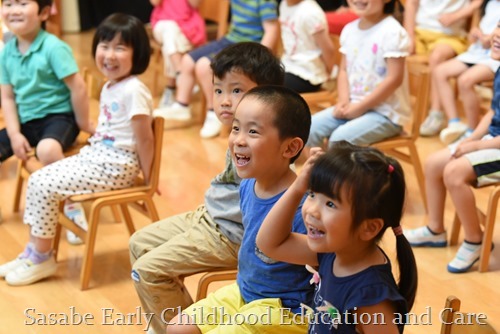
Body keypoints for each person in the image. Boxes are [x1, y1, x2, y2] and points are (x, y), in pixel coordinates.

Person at [129, 42, 285, 334]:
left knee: (149, 270)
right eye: (218, 90)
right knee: (139, 243)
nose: (224, 100)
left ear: (267, 94)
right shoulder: (239, 132)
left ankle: (172, 326)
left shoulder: (263, 144)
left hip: (231, 235)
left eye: (236, 90)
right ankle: (166, 319)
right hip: (210, 217)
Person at [0, 13, 154, 286]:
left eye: (120, 48)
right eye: (104, 46)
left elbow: (145, 139)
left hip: (116, 167)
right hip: (99, 158)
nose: (109, 54)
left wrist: (149, 178)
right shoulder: (111, 86)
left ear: (138, 53)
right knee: (38, 180)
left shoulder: (134, 90)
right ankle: (34, 252)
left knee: (43, 183)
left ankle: (42, 258)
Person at [167, 85, 313, 333]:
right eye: (236, 128)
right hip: (245, 291)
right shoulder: (247, 186)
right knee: (178, 328)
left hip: (286, 309)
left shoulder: (306, 208)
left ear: (289, 148)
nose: (238, 140)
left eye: (253, 131)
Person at [257, 141, 418, 333]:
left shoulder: (370, 297)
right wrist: (298, 186)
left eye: (330, 204)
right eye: (312, 194)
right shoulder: (334, 251)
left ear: (369, 228)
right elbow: (269, 244)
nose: (312, 211)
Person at [404, 20, 500, 274]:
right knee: (435, 163)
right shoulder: (498, 68)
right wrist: (470, 139)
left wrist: (476, 145)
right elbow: (493, 113)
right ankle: (436, 229)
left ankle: (475, 239)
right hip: (491, 141)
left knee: (454, 173)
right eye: (499, 26)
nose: (497, 35)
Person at [153, 0, 280, 139]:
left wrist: (261, 59)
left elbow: (272, 30)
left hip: (249, 46)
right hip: (230, 39)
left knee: (204, 66)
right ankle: (182, 105)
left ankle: (213, 111)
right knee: (187, 60)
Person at [305, 0, 410, 153]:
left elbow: (394, 79)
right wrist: (343, 100)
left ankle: (335, 175)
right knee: (309, 128)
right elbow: (344, 71)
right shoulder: (349, 29)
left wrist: (360, 107)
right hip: (353, 105)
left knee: (338, 140)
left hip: (386, 114)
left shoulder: (392, 31)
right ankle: (322, 174)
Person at [403, 0, 484, 137]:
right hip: (419, 33)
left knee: (437, 58)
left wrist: (457, 15)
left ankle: (436, 113)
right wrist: (408, 36)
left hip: (451, 35)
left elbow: (479, 3)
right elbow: (411, 4)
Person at [434, 0, 500, 145]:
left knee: (465, 80)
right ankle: (454, 122)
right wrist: (475, 33)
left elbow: (493, 36)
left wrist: (487, 39)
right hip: (476, 52)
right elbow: (475, 31)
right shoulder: (488, 3)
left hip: (493, 57)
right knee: (440, 71)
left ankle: (472, 129)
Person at [149, 0, 206, 108]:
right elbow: (155, 2)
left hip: (187, 26)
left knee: (169, 44)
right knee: (169, 29)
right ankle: (182, 75)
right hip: (161, 23)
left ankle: (171, 87)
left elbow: (195, 3)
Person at [279, 0, 336, 93]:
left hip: (308, 75)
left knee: (269, 88)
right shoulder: (284, 4)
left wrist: (329, 73)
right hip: (288, 66)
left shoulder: (310, 12)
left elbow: (328, 49)